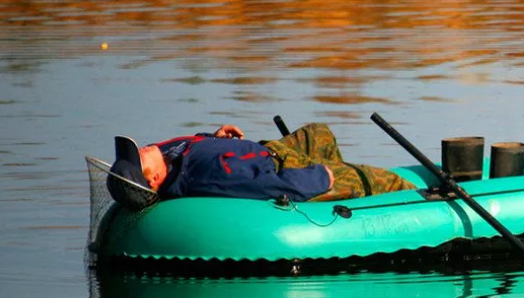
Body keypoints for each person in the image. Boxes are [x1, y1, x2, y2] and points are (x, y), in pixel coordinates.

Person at [107, 122, 416, 210]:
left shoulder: (170, 156)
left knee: (317, 133)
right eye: (140, 157)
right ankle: (424, 202)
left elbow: (194, 149)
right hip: (283, 168)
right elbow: (260, 186)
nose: (143, 148)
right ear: (156, 178)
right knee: (378, 180)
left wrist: (213, 139)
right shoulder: (204, 177)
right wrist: (319, 178)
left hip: (271, 150)